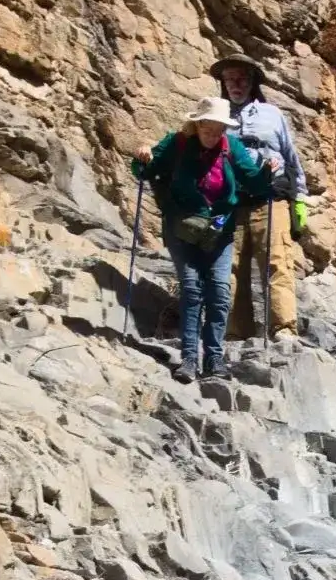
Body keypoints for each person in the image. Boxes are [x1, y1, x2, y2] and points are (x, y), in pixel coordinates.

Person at [132, 96, 269, 383]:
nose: (213, 135)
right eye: (208, 129)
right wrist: (142, 157)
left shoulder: (232, 147)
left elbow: (255, 183)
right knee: (193, 288)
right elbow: (147, 171)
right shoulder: (177, 143)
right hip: (182, 227)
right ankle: (189, 359)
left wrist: (269, 171)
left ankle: (215, 358)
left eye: (219, 130)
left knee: (219, 292)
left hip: (219, 230)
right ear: (197, 124)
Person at [209, 51, 309, 341]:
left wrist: (299, 198)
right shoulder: (217, 116)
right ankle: (236, 331)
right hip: (231, 200)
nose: (235, 84)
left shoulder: (273, 114)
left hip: (272, 197)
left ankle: (284, 329)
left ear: (252, 81)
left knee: (276, 260)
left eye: (241, 78)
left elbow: (291, 156)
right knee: (230, 265)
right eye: (229, 80)